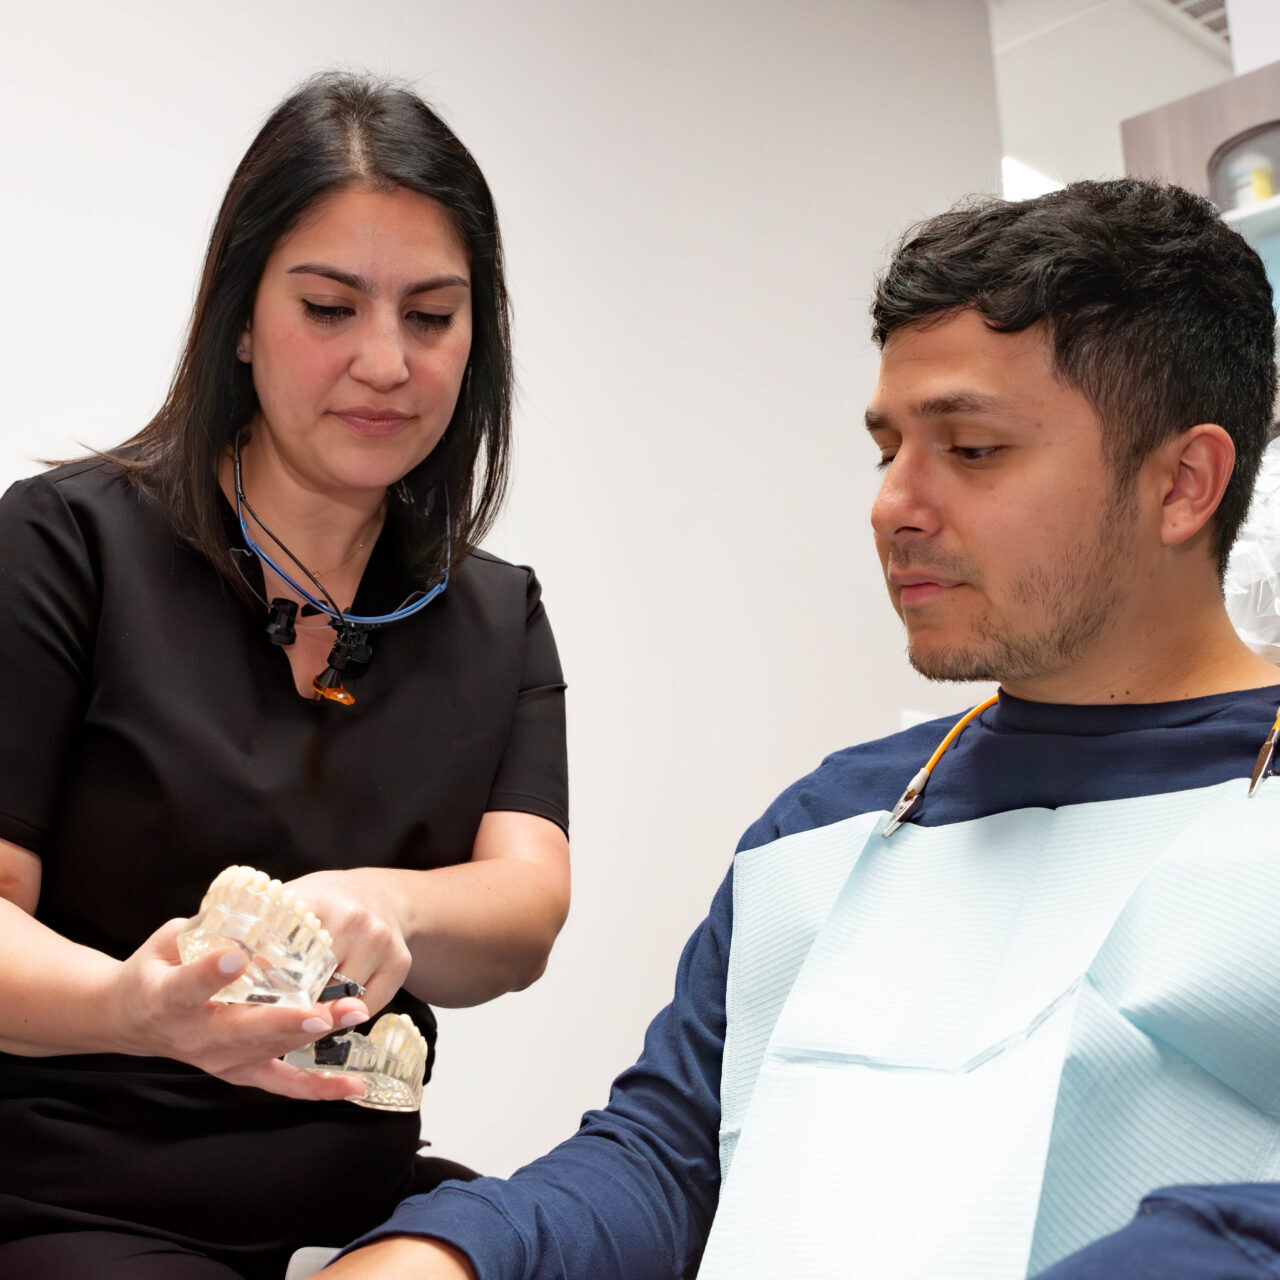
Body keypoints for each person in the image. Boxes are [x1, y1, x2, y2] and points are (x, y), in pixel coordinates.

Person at [322, 177, 1280, 1280]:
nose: (893, 504)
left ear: (1182, 483)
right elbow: (664, 1159)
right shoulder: (823, 827)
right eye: (887, 448)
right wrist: (448, 1251)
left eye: (970, 449)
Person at [0, 72, 570, 1280]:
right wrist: (131, 1004)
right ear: (241, 321)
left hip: (363, 1201)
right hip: (79, 1202)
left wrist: (393, 902)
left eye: (430, 316)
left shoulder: (493, 610)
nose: (384, 361)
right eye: (329, 307)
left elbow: (522, 915)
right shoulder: (66, 545)